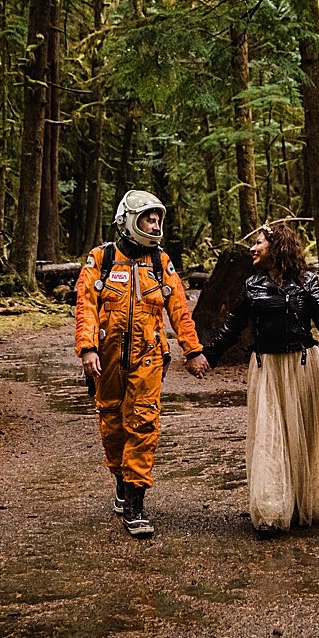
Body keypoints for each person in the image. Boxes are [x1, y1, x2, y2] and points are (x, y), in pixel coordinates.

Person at [202, 222, 319, 533]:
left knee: (306, 434)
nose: (252, 248)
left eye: (259, 242)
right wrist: (206, 357)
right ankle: (273, 508)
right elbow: (233, 326)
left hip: (303, 367)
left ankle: (305, 503)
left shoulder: (307, 283)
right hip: (267, 370)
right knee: (270, 435)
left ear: (276, 248)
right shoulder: (252, 285)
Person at [74, 190, 209, 538]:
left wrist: (192, 350)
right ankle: (121, 480)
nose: (155, 224)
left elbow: (179, 308)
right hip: (107, 357)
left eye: (158, 219)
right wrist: (87, 348)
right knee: (112, 423)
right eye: (149, 218)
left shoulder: (161, 263)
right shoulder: (102, 259)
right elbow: (86, 305)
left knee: (143, 424)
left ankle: (135, 503)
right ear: (129, 220)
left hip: (148, 357)